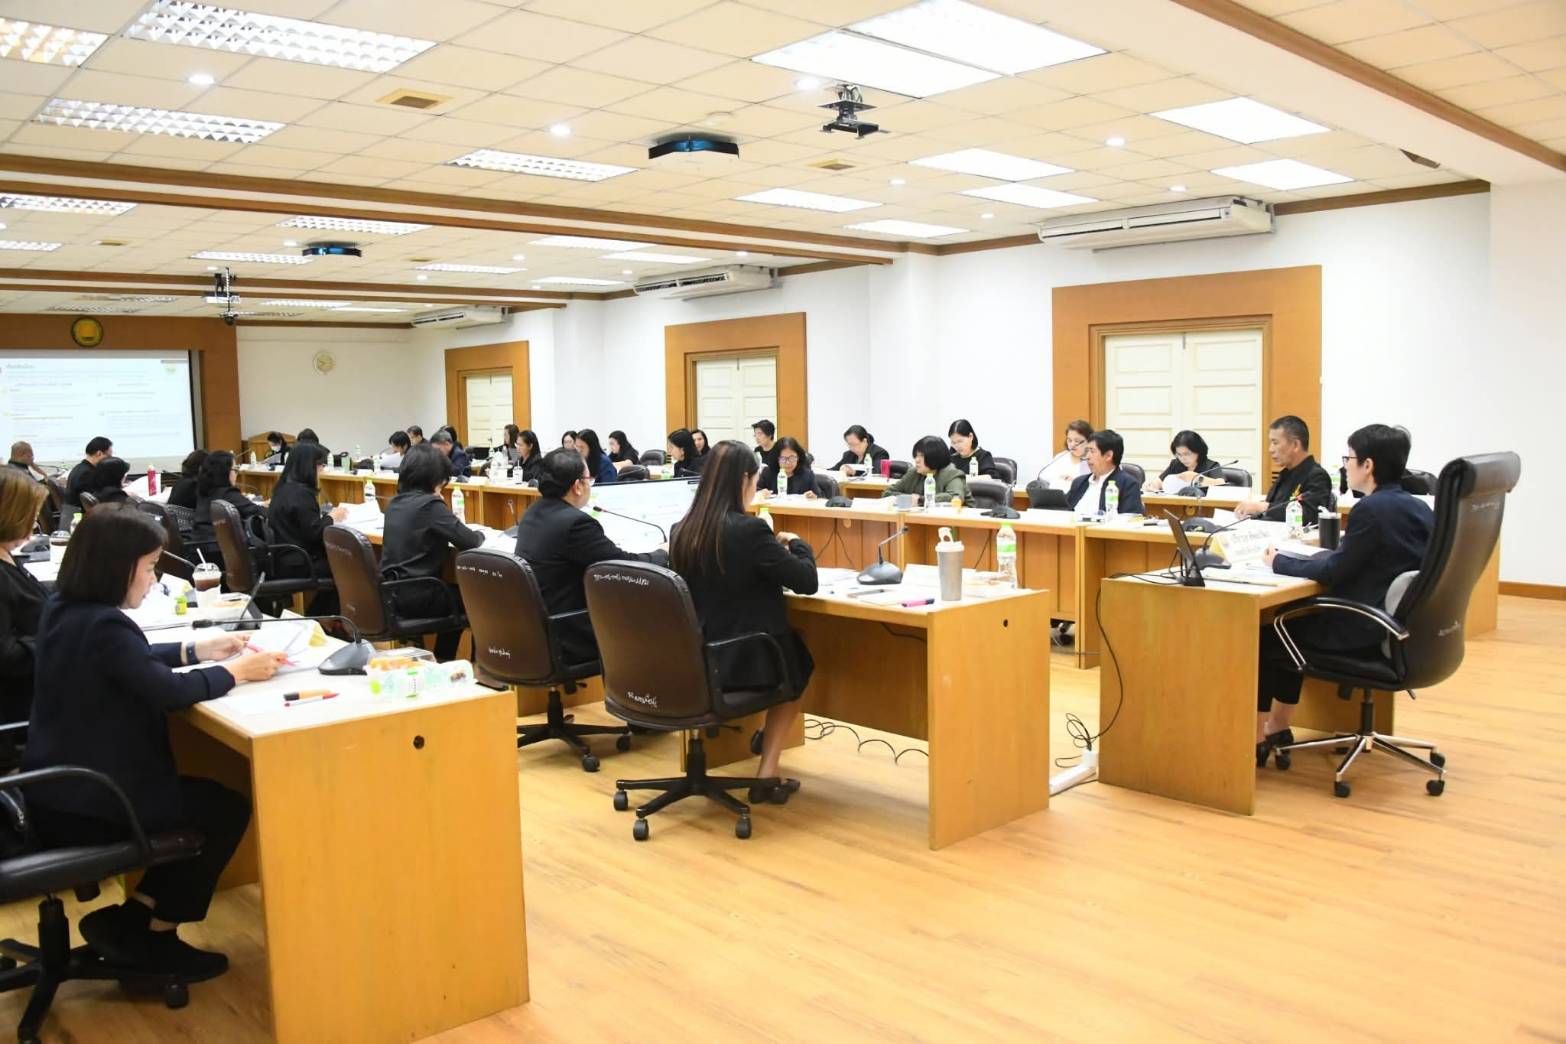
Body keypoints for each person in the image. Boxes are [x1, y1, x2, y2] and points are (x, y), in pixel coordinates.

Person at [22, 506, 285, 979]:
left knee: (207, 800)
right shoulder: (105, 625)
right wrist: (236, 671)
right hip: (94, 802)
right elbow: (170, 692)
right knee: (223, 808)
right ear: (117, 568)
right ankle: (154, 933)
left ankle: (134, 920)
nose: (153, 578)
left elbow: (131, 660)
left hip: (56, 791)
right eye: (148, 567)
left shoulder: (65, 608)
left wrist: (196, 649)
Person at [1255, 424, 1432, 763]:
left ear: (1368, 465)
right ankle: (1277, 727)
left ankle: (1259, 737)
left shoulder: (1371, 509)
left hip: (1363, 627)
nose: (1345, 466)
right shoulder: (1418, 508)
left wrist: (1280, 561)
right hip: (1402, 630)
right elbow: (1359, 559)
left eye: (1348, 459)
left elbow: (1335, 571)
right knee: (1286, 626)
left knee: (1270, 632)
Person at [669, 440, 817, 801]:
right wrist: (799, 545)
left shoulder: (681, 530)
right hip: (746, 659)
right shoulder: (750, 531)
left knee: (790, 648)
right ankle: (768, 771)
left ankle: (763, 738)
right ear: (744, 481)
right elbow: (806, 581)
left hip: (697, 658)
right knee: (798, 661)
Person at [515, 448, 669, 664]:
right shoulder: (576, 523)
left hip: (538, 630)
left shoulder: (533, 511)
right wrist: (663, 553)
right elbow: (623, 566)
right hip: (572, 634)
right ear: (577, 486)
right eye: (589, 479)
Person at [380, 444, 482, 661]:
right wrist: (480, 534)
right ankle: (459, 664)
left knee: (455, 597)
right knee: (478, 600)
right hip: (419, 596)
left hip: (392, 593)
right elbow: (470, 541)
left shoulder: (395, 503)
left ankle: (442, 660)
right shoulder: (430, 504)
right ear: (434, 478)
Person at [266, 443, 348, 615]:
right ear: (309, 467)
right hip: (299, 561)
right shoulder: (301, 494)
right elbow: (315, 534)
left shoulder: (283, 488)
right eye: (320, 465)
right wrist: (332, 517)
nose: (322, 470)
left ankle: (322, 617)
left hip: (284, 557)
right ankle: (316, 616)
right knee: (350, 567)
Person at [0, 468, 48, 725]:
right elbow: (6, 657)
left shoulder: (6, 553)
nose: (35, 523)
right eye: (33, 515)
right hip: (26, 707)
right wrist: (62, 639)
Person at [1236, 415, 1334, 521]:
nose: (1270, 449)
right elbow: (1273, 507)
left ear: (1295, 445)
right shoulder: (1285, 474)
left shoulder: (1317, 476)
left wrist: (1263, 507)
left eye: (1275, 443)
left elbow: (1308, 514)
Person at [190, 450, 262, 549]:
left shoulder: (204, 492)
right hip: (220, 550)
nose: (237, 474)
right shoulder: (228, 493)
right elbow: (258, 512)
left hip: (199, 548)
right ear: (224, 471)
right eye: (235, 469)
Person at [1066, 430, 1144, 515]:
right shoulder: (1079, 482)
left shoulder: (1128, 484)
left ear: (1108, 456)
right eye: (1087, 451)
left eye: (1092, 451)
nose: (1087, 456)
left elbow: (1130, 519)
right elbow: (1064, 510)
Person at [881, 436, 967, 505]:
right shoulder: (913, 473)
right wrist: (909, 498)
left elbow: (956, 497)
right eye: (916, 456)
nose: (917, 460)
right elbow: (888, 493)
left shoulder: (951, 473)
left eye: (921, 456)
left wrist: (921, 500)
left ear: (935, 457)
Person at [1145, 430, 1223, 493]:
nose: (1183, 458)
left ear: (1198, 451)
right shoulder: (1176, 464)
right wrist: (1153, 486)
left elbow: (1221, 484)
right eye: (1179, 454)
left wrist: (1195, 477)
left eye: (1187, 454)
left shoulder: (1211, 466)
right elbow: (1159, 482)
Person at [1036, 419, 1093, 489]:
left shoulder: (1093, 460)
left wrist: (1074, 481)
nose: (1072, 444)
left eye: (1077, 441)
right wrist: (1058, 478)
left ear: (1089, 440)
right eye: (1069, 440)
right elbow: (1043, 476)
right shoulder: (1061, 456)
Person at [65, 436, 112, 509]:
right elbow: (96, 500)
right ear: (99, 453)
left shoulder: (80, 467)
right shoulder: (87, 473)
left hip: (74, 511)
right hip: (80, 514)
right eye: (109, 456)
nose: (109, 459)